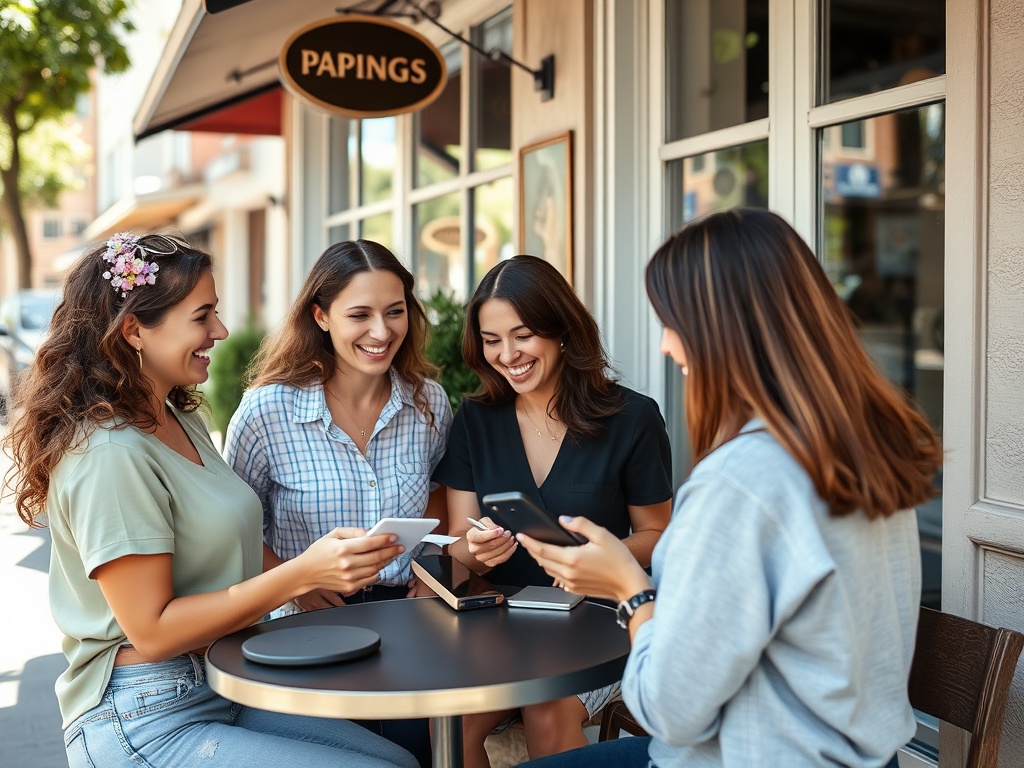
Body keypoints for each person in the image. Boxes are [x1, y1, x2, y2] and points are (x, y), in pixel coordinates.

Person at [516, 208, 944, 768]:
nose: (667, 345)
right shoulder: (860, 454)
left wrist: (628, 588)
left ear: (725, 331)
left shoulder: (740, 482)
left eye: (672, 322)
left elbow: (668, 709)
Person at [1, 233, 418, 768]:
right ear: (134, 330)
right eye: (203, 316)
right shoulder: (108, 452)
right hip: (143, 713)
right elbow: (151, 633)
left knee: (403, 762)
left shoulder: (180, 418)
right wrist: (301, 575)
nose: (219, 331)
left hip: (224, 679)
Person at [432, 254, 673, 767]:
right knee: (450, 719)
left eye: (522, 335)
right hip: (500, 624)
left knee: (545, 704)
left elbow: (658, 533)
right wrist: (474, 550)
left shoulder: (633, 418)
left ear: (562, 330)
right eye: (491, 340)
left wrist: (595, 561)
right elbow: (457, 543)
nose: (507, 355)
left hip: (598, 619)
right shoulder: (476, 418)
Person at [223, 239, 452, 766]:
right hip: (306, 629)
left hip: (410, 624)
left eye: (395, 312)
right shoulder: (266, 411)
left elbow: (441, 492)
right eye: (360, 314)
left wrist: (432, 568)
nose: (382, 331)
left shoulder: (429, 402)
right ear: (321, 316)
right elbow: (234, 525)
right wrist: (296, 582)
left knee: (411, 756)